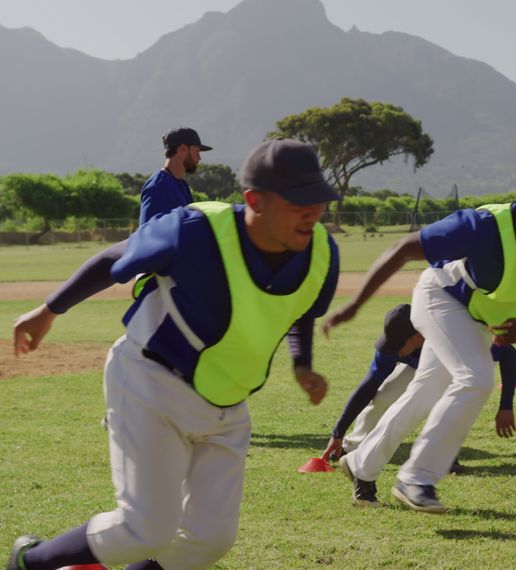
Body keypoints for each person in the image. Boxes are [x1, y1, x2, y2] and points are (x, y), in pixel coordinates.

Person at [9, 139, 340, 570]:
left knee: (209, 540)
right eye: (298, 201)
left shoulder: (321, 255)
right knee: (145, 528)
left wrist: (302, 365)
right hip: (150, 384)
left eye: (317, 199)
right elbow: (115, 257)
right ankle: (29, 561)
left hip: (228, 404)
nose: (312, 212)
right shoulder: (196, 230)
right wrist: (50, 309)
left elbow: (300, 309)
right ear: (254, 200)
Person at [322, 166, 516, 514]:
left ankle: (361, 463)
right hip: (440, 298)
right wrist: (355, 305)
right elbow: (404, 248)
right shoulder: (481, 225)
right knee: (476, 378)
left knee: (425, 391)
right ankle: (416, 477)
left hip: (477, 319)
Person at [319, 304, 516, 475]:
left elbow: (509, 354)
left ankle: (445, 457)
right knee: (384, 396)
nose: (392, 349)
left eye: (398, 344)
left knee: (445, 400)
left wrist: (506, 406)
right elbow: (368, 387)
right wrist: (338, 432)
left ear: (417, 336)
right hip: (421, 364)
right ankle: (349, 447)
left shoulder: (454, 336)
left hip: (464, 363)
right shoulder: (396, 344)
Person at [139, 127, 212, 224]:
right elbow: (148, 233)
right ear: (183, 149)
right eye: (196, 151)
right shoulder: (157, 186)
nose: (199, 158)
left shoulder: (182, 185)